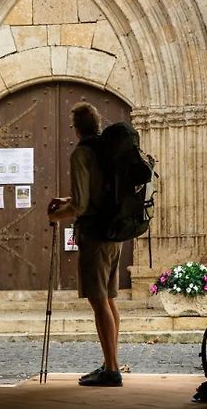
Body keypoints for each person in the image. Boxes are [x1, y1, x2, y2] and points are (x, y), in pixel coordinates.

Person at [47, 102, 123, 387]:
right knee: (109, 299)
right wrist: (69, 201)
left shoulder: (82, 152)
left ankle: (112, 369)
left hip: (95, 235)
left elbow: (80, 206)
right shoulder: (107, 149)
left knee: (99, 300)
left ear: (76, 128)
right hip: (115, 233)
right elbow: (94, 195)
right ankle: (110, 362)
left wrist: (57, 214)